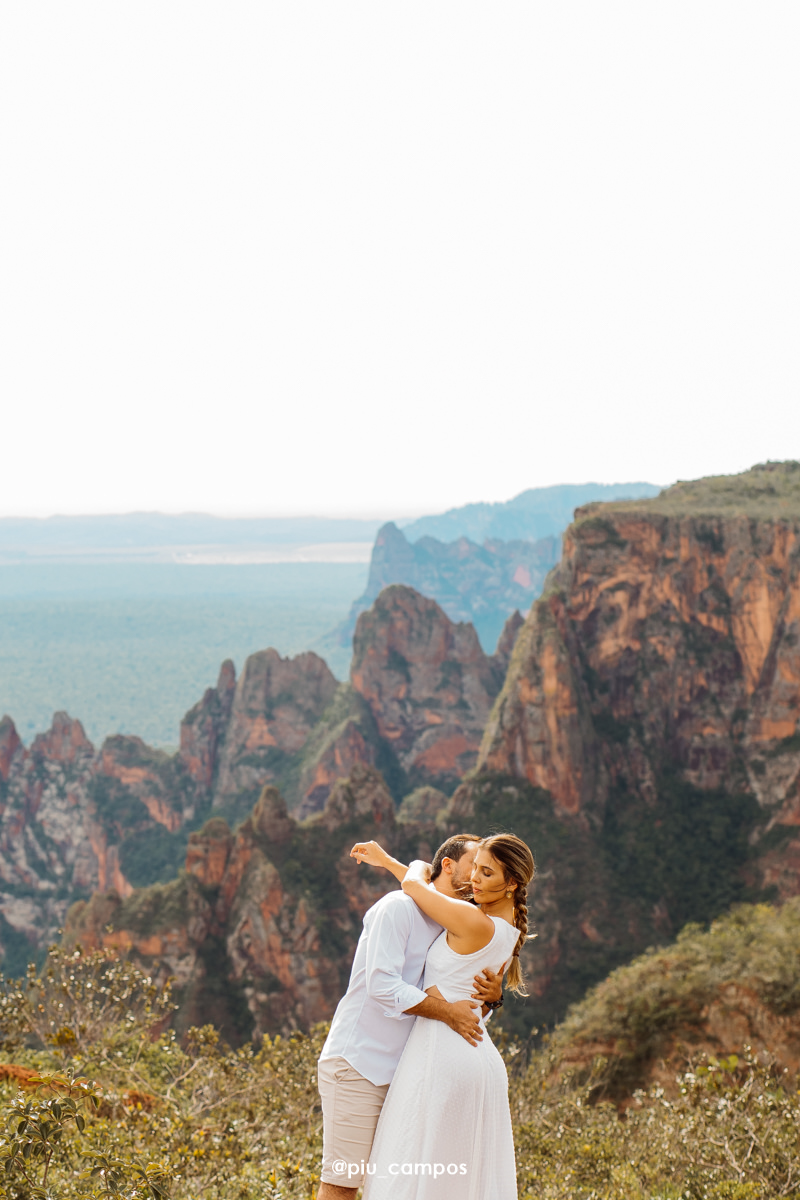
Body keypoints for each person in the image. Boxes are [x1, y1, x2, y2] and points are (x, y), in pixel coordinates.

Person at [317, 834, 505, 1200]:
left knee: (394, 1185)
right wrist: (448, 1013)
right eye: (474, 866)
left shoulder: (456, 926)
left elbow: (466, 1014)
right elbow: (381, 985)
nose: (478, 878)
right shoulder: (397, 908)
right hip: (361, 1065)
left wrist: (492, 999)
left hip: (412, 1076)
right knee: (343, 1184)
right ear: (447, 865)